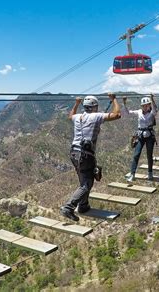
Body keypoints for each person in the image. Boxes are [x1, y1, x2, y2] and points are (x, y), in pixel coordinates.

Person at [60, 94, 121, 222]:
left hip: (74, 153)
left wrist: (76, 103)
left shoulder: (78, 117)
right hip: (85, 154)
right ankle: (69, 207)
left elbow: (70, 116)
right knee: (87, 184)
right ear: (94, 107)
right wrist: (113, 99)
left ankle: (83, 206)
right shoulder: (96, 116)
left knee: (83, 180)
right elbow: (117, 114)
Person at [123, 94, 157, 182]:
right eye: (144, 106)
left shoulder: (152, 113)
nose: (145, 107)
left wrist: (152, 99)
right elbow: (128, 113)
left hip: (149, 135)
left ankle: (150, 173)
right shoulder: (139, 112)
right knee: (136, 154)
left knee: (149, 155)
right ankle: (132, 174)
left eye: (147, 105)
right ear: (141, 106)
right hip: (140, 135)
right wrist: (124, 103)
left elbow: (155, 109)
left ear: (149, 105)